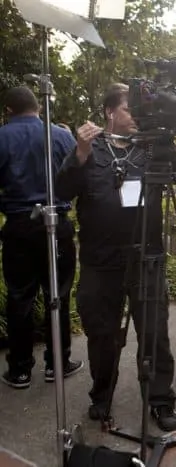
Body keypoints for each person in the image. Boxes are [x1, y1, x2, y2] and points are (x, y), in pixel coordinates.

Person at [55, 83, 176, 431]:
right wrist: (79, 153)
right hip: (100, 261)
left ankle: (160, 400)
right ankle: (101, 395)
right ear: (110, 112)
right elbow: (63, 190)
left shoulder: (150, 147)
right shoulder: (89, 148)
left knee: (155, 333)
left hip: (147, 258)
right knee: (102, 335)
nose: (136, 116)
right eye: (129, 109)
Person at [0, 86, 83, 389]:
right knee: (58, 295)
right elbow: (81, 178)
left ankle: (20, 369)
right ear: (38, 107)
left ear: (8, 110)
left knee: (20, 296)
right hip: (57, 223)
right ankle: (57, 364)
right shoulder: (60, 136)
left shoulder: (2, 137)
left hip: (19, 225)